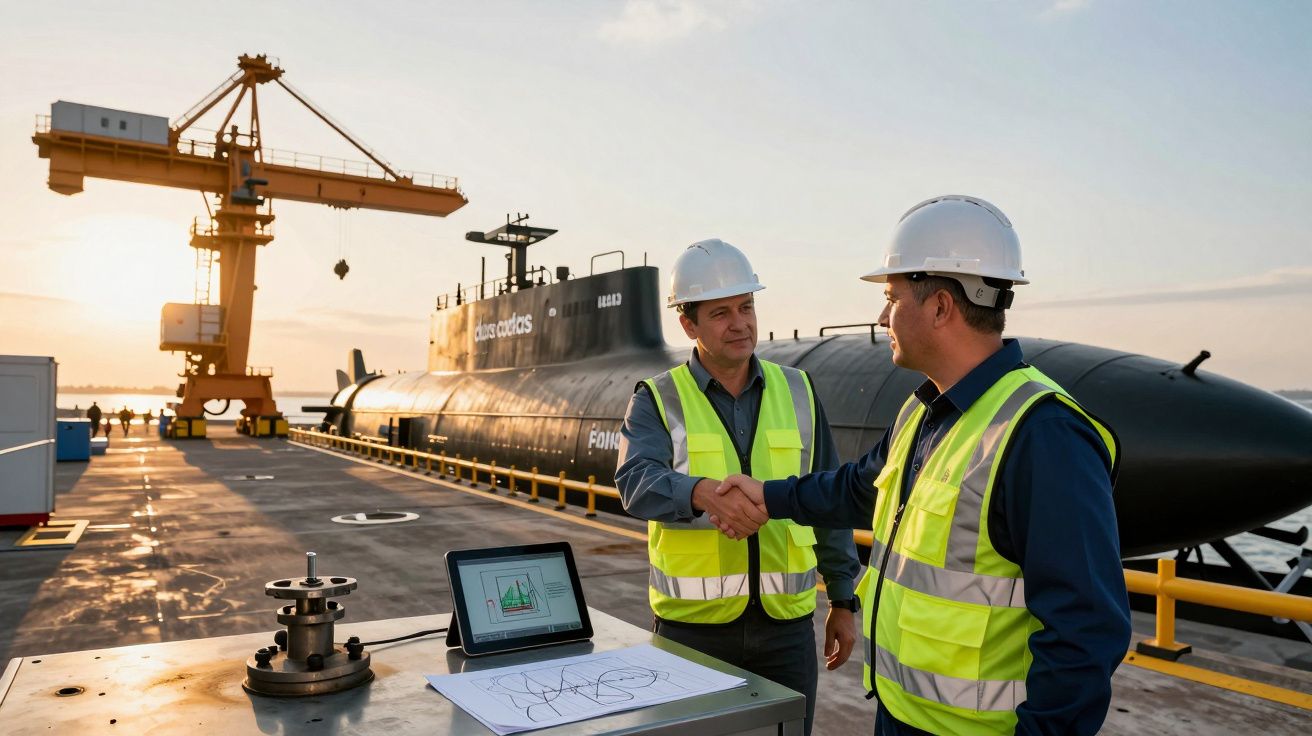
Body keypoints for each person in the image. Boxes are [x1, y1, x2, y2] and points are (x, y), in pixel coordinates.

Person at [713, 196, 1130, 736]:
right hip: (900, 715)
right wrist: (768, 496)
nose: (883, 316)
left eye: (891, 299)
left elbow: (1086, 631)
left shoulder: (1041, 435)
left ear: (938, 308)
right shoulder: (924, 408)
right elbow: (861, 488)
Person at [615, 239, 862, 736]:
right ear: (689, 324)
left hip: (787, 632)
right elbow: (635, 482)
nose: (741, 323)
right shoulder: (658, 399)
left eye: (747, 306)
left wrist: (842, 598)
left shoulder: (799, 390)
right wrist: (701, 492)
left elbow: (827, 500)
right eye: (721, 312)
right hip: (692, 634)